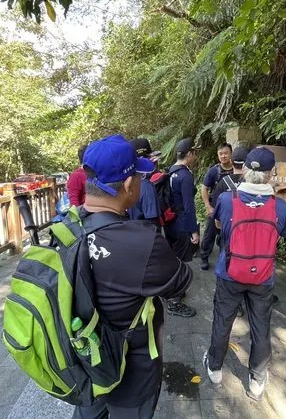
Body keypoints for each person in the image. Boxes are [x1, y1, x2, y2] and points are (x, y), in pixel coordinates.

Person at [73, 134, 193, 419]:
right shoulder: (142, 242)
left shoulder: (65, 228)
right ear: (128, 185)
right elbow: (181, 280)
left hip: (84, 357)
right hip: (131, 367)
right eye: (138, 176)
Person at [203, 147, 286, 401]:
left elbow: (219, 227)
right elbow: (279, 237)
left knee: (223, 319)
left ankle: (215, 368)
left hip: (230, 272)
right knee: (261, 326)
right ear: (271, 173)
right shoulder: (281, 207)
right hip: (263, 277)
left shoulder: (227, 200)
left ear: (245, 170)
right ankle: (256, 380)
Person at [164, 137, 200, 317]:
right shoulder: (185, 175)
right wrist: (194, 230)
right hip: (182, 223)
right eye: (194, 153)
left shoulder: (171, 170)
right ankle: (174, 300)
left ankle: (173, 291)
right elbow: (189, 206)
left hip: (170, 221)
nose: (195, 156)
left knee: (173, 256)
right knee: (180, 261)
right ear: (189, 154)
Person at [200, 143, 234, 270]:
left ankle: (224, 258)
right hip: (215, 209)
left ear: (231, 154)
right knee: (209, 234)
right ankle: (204, 257)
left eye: (226, 153)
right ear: (218, 155)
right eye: (221, 154)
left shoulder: (236, 169)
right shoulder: (214, 171)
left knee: (226, 236)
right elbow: (204, 189)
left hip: (231, 211)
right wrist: (208, 206)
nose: (223, 156)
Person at [127, 138, 160, 228]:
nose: (153, 160)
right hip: (147, 236)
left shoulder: (126, 183)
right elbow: (153, 224)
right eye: (150, 157)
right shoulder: (146, 186)